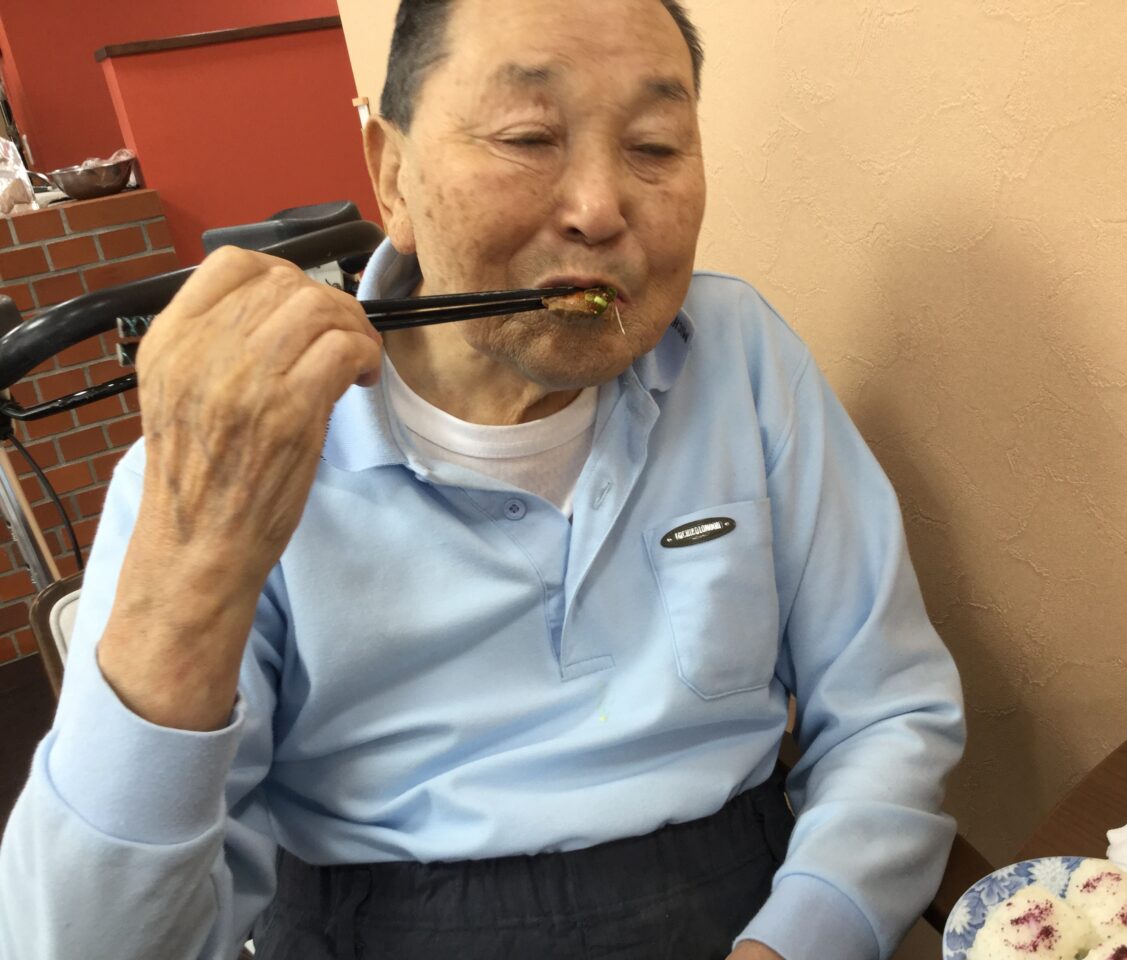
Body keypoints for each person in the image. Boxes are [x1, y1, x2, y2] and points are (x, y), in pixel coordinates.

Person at [0, 1, 965, 958]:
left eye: (656, 146)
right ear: (394, 175)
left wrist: (800, 938)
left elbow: (889, 713)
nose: (599, 209)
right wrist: (192, 556)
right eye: (528, 137)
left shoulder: (737, 356)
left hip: (739, 906)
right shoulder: (228, 457)